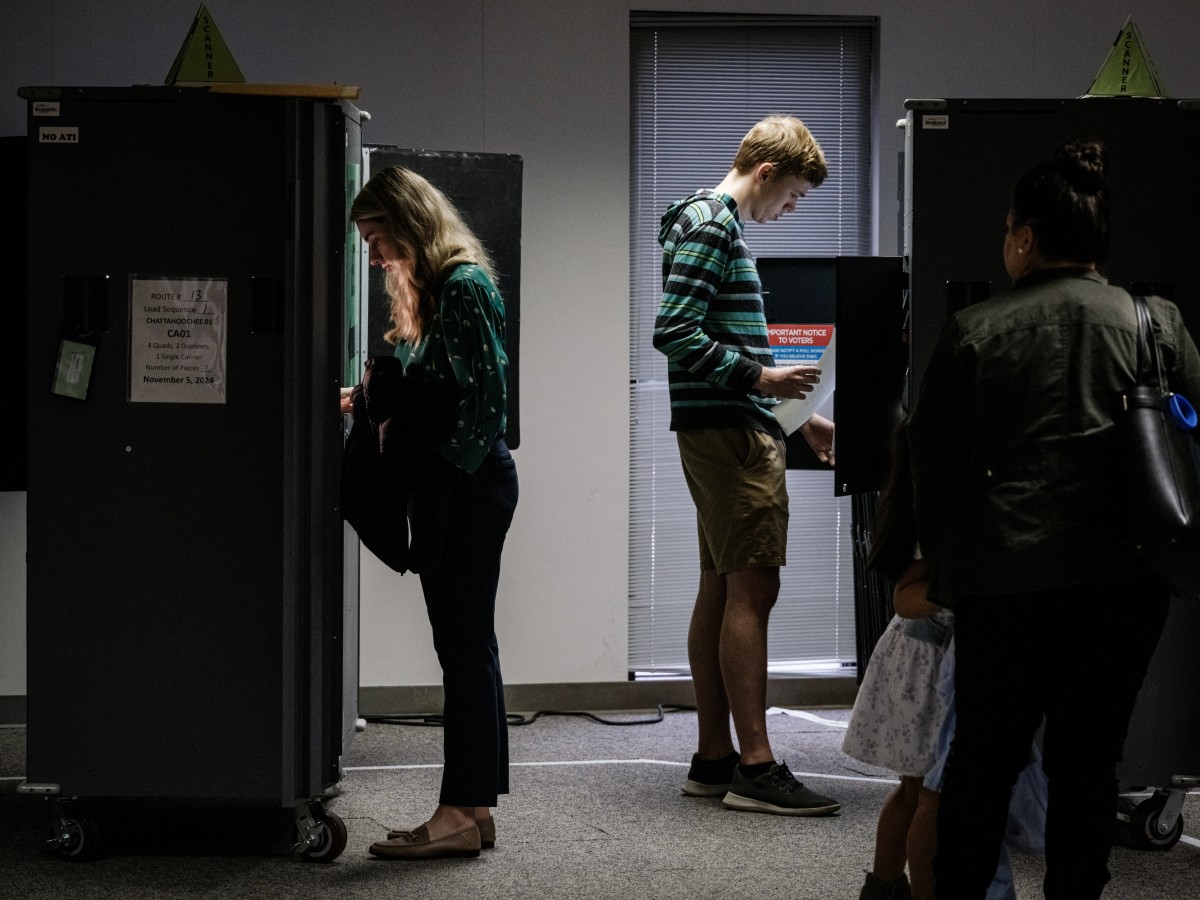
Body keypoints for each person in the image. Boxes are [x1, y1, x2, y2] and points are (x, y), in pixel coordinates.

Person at [907, 139, 1200, 898]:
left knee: (983, 758)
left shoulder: (977, 330)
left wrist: (927, 565)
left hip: (1004, 581)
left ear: (1025, 237)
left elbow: (929, 464)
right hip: (1124, 581)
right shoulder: (1156, 323)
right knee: (1090, 761)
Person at [653, 115, 840, 816]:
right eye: (791, 195)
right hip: (730, 435)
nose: (789, 210)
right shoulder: (714, 225)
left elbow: (722, 341)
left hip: (726, 427)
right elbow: (673, 331)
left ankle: (713, 757)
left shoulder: (702, 223)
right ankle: (756, 768)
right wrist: (764, 385)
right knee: (752, 590)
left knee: (721, 588)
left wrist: (801, 419)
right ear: (766, 173)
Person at [347, 166, 518, 861]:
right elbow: (438, 390)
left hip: (466, 488)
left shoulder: (462, 285)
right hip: (460, 487)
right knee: (467, 649)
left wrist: (422, 461)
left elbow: (483, 407)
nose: (374, 253)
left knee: (465, 651)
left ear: (409, 221)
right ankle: (473, 807)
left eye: (377, 236)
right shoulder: (438, 288)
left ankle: (455, 813)